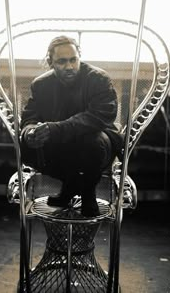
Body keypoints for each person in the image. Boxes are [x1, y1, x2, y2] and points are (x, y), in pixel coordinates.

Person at [20, 35, 123, 217]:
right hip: (62, 147)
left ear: (79, 56)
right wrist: (30, 133)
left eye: (73, 60)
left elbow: (99, 117)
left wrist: (54, 129)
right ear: (50, 62)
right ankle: (72, 183)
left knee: (91, 141)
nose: (69, 67)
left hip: (98, 146)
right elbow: (29, 117)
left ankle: (87, 193)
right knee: (26, 146)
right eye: (61, 61)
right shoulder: (41, 85)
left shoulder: (98, 78)